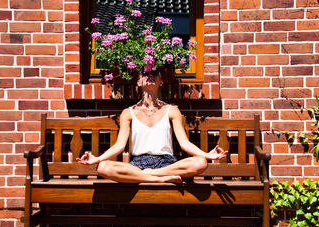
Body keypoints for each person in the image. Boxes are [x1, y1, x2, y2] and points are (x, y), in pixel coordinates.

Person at [77, 69, 228, 183]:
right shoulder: (128, 113)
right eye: (145, 73)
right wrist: (97, 159)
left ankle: (151, 175)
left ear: (161, 82)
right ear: (138, 82)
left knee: (200, 163)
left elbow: (184, 143)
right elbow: (119, 146)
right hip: (138, 164)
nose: (150, 75)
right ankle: (157, 179)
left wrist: (208, 155)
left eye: (154, 73)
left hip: (167, 164)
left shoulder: (171, 110)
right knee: (103, 167)